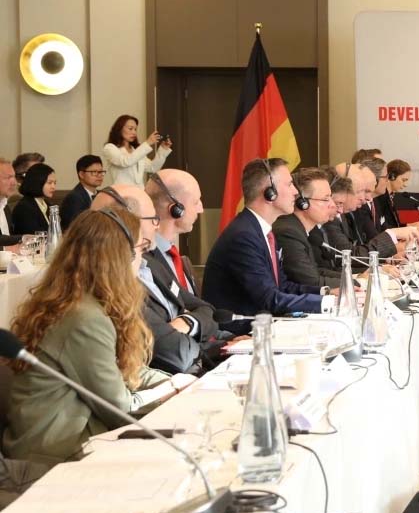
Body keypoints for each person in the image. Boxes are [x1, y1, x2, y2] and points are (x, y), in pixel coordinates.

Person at [2, 207, 195, 465]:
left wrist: (178, 382)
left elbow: (127, 371)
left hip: (72, 444)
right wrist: (170, 390)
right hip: (55, 459)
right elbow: (120, 409)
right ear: (120, 258)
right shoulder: (83, 318)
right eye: (140, 250)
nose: (142, 261)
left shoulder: (82, 302)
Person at [96, 184, 229, 376]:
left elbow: (207, 310)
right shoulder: (115, 281)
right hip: (174, 377)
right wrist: (201, 339)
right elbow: (177, 354)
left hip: (196, 367)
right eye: (153, 219)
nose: (157, 226)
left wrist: (189, 322)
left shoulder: (150, 262)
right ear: (125, 223)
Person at [202, 158, 336, 316]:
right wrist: (328, 303)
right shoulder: (244, 236)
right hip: (245, 327)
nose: (295, 192)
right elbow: (270, 299)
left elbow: (282, 286)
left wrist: (326, 293)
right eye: (289, 184)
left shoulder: (262, 231)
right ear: (269, 193)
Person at [145, 170, 251, 338]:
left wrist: (230, 340)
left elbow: (206, 312)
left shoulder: (180, 260)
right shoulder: (143, 263)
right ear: (175, 209)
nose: (201, 209)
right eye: (196, 202)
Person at [275, 168, 345, 288]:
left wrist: (353, 278)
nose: (333, 205)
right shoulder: (288, 232)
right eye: (325, 199)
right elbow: (311, 281)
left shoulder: (300, 229)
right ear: (303, 203)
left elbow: (315, 271)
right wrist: (353, 283)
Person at [100, 114, 171, 188]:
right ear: (119, 129)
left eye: (135, 129)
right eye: (130, 129)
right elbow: (125, 162)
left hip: (139, 192)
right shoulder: (110, 148)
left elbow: (152, 168)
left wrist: (163, 149)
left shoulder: (136, 150)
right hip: (122, 192)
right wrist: (147, 143)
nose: (134, 132)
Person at [60, 155, 104, 229]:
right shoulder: (74, 197)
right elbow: (78, 226)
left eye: (101, 172)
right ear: (81, 174)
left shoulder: (101, 195)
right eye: (94, 172)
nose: (99, 175)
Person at [11, 163, 56, 236]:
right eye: (49, 183)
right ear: (37, 182)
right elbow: (33, 236)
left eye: (55, 183)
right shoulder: (24, 208)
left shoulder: (48, 204)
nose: (53, 187)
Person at [376, 159, 413, 229]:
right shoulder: (380, 197)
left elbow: (393, 225)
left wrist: (409, 226)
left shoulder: (390, 196)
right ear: (392, 176)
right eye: (403, 180)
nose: (405, 185)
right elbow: (382, 226)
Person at [0, 158, 21, 248]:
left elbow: (7, 238)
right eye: (8, 178)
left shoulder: (5, 206)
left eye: (14, 177)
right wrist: (22, 238)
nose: (14, 183)